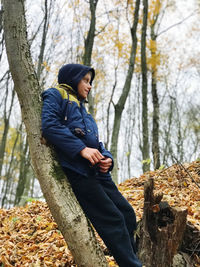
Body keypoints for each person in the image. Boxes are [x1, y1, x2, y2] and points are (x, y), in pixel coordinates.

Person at [41, 63, 142, 267]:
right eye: (85, 80)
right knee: (113, 220)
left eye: (90, 81)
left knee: (127, 215)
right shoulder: (55, 94)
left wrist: (108, 159)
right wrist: (81, 149)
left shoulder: (84, 112)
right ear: (72, 78)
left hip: (99, 173)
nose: (89, 86)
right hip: (78, 172)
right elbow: (50, 125)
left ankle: (135, 258)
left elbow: (97, 144)